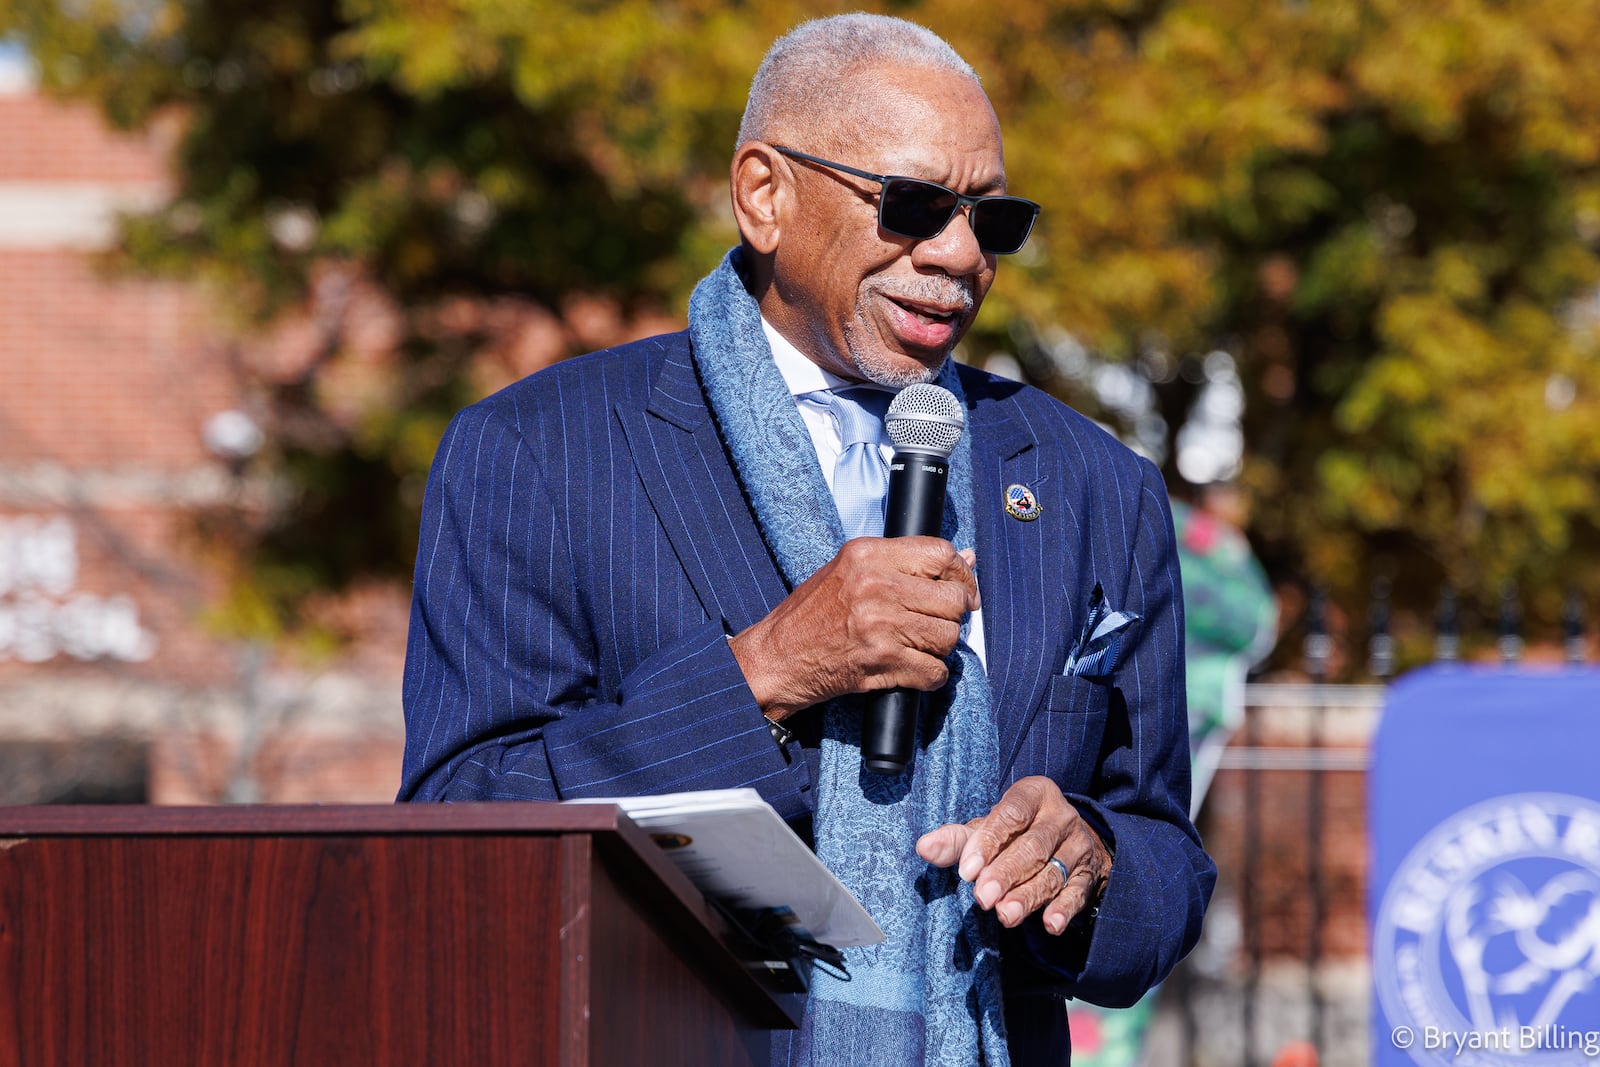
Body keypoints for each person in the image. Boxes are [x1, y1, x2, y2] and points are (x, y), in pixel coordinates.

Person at [399, 13, 1214, 1066]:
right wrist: (766, 672)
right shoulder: (539, 450)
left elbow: (1166, 864)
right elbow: (457, 835)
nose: (961, 254)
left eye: (994, 220)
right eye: (913, 205)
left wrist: (1089, 863)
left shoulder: (1092, 484)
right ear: (764, 195)